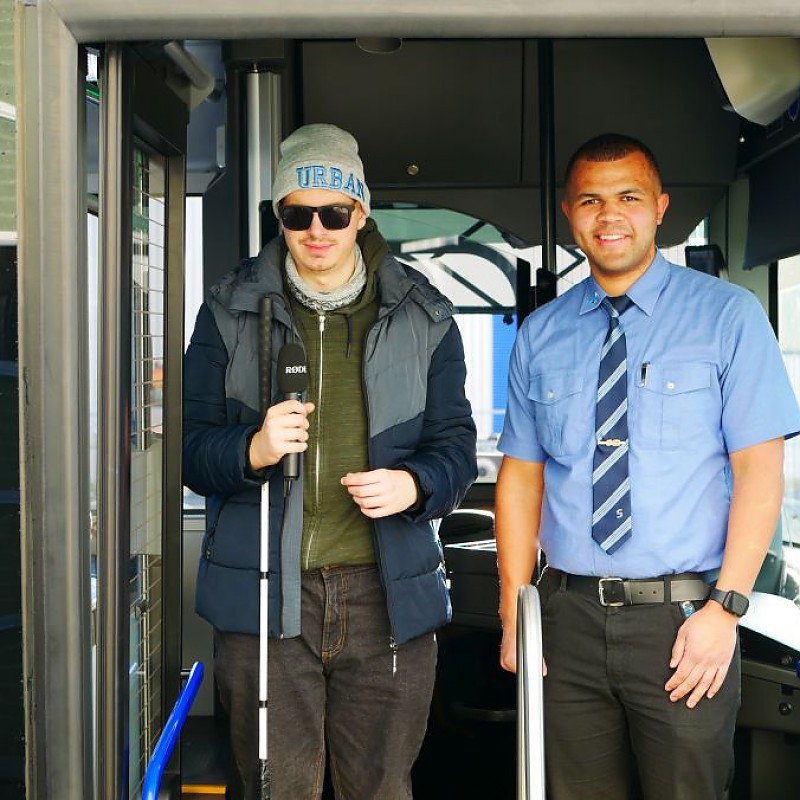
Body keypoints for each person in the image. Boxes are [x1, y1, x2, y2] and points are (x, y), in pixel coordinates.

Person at [495, 132, 800, 799]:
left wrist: (726, 609)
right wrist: (516, 609)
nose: (610, 215)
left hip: (685, 619)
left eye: (629, 197)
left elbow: (760, 472)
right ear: (569, 215)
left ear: (660, 207)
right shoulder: (541, 333)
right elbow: (521, 478)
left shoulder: (728, 316)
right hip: (566, 619)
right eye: (590, 200)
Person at [183, 123, 477, 799]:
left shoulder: (426, 314)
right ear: (279, 217)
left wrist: (414, 484)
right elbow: (191, 452)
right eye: (298, 214)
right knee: (275, 790)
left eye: (334, 213)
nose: (317, 230)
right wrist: (252, 448)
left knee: (379, 787)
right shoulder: (226, 310)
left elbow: (456, 449)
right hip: (264, 597)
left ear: (361, 214)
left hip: (386, 596)